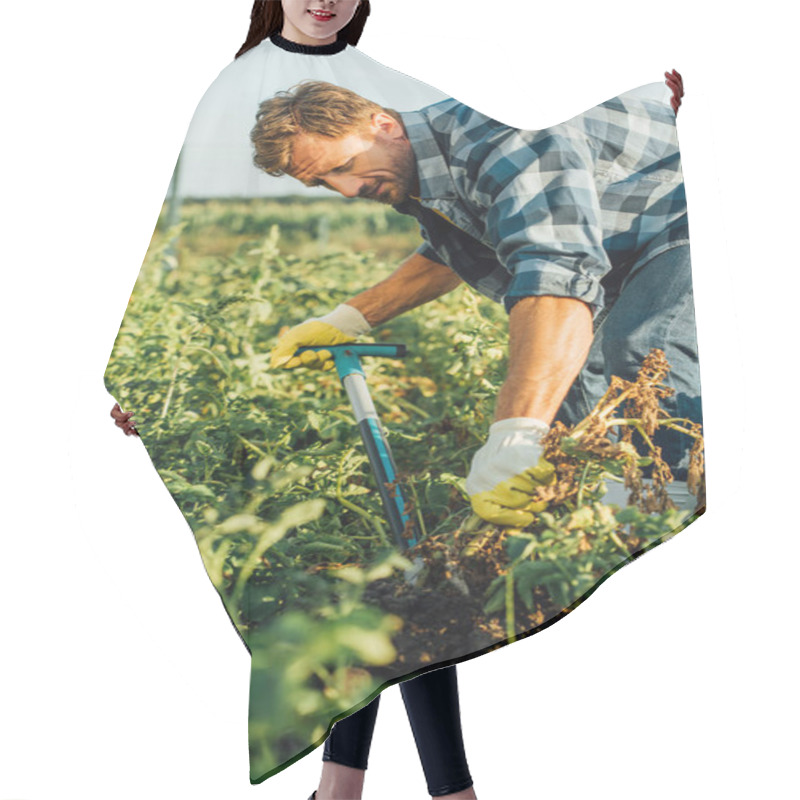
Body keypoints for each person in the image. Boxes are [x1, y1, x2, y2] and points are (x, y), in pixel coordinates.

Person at [111, 2, 478, 799]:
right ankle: (429, 790)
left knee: (404, 569)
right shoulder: (234, 87)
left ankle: (344, 789)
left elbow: (494, 166)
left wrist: (644, 119)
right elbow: (175, 234)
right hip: (283, 360)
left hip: (397, 351)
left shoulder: (386, 86)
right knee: (368, 569)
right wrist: (140, 370)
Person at [258, 68, 693, 528]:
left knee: (647, 346)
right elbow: (452, 255)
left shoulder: (503, 136)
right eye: (324, 182)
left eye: (343, 167)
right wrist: (350, 318)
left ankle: (673, 515)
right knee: (567, 387)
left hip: (693, 212)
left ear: (382, 125)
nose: (348, 190)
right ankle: (586, 522)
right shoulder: (421, 172)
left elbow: (555, 273)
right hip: (630, 246)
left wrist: (513, 433)